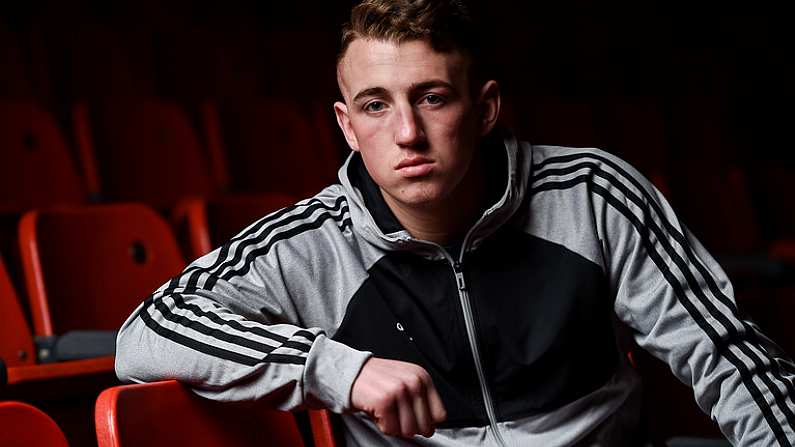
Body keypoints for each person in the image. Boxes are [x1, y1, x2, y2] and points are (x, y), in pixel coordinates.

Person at [115, 0, 795, 445]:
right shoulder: (309, 242)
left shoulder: (593, 192)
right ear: (346, 126)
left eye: (432, 97)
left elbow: (731, 359)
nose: (406, 132)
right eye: (376, 106)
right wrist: (337, 368)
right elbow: (147, 330)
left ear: (486, 106)